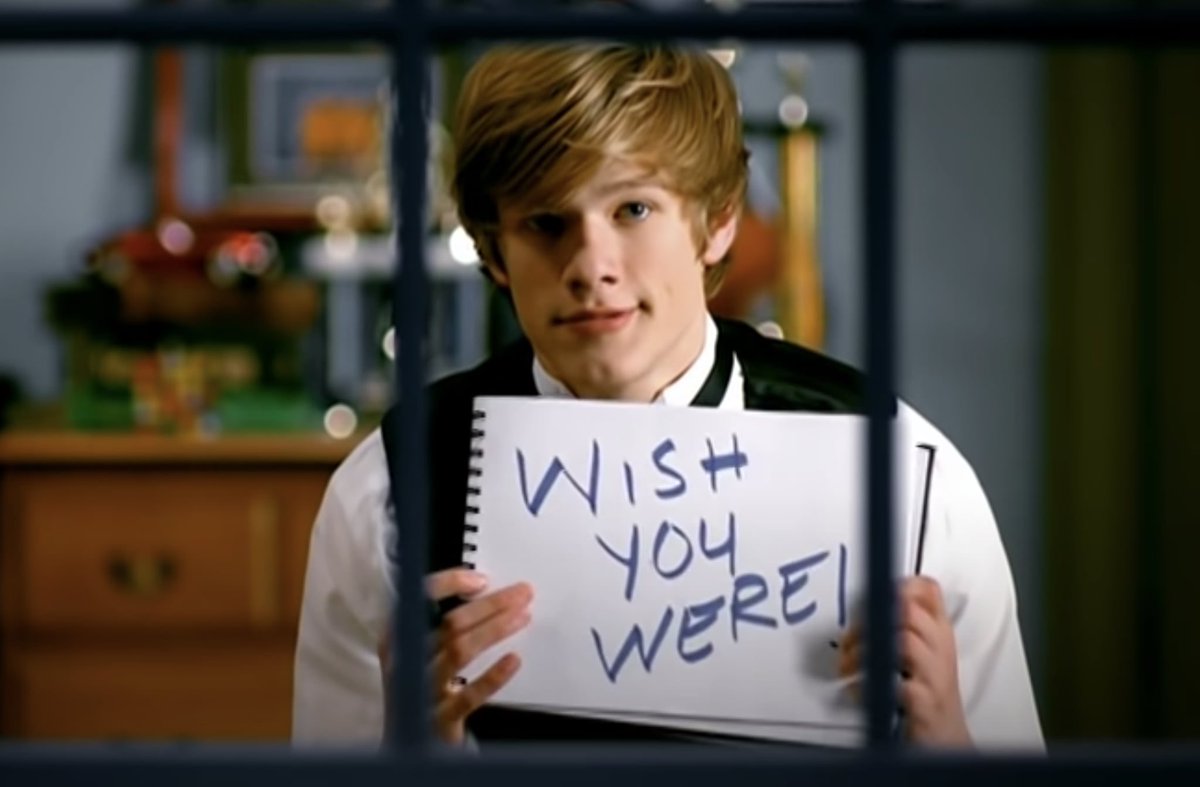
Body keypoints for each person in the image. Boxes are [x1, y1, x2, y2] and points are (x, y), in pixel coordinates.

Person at [291, 41, 1044, 752]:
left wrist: (947, 743)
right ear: (493, 252)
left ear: (717, 223)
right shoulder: (386, 495)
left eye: (633, 210)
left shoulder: (904, 473)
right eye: (546, 222)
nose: (591, 266)